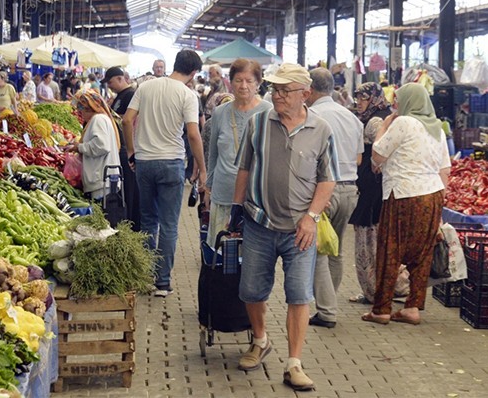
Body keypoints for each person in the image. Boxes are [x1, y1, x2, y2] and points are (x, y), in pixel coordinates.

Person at [230, 63, 338, 392]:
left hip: (299, 230)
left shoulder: (321, 129)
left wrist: (312, 216)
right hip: (259, 223)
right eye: (274, 89)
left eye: (283, 90)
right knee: (250, 290)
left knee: (299, 295)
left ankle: (294, 364)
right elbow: (245, 169)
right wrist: (235, 210)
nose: (276, 95)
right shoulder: (258, 123)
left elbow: (328, 179)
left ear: (304, 94)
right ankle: (260, 340)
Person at [362, 83, 450, 326]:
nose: (395, 106)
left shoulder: (403, 123)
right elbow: (445, 169)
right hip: (432, 195)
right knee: (422, 254)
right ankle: (412, 307)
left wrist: (385, 126)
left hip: (403, 194)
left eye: (398, 101)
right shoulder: (437, 129)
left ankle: (381, 309)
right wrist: (440, 204)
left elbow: (378, 155)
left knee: (391, 250)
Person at [122, 50, 207, 297]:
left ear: (173, 65)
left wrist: (131, 152)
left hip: (145, 163)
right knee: (169, 225)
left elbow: (127, 121)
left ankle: (146, 274)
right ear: (193, 73)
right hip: (171, 163)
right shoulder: (188, 94)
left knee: (149, 221)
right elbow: (193, 134)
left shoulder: (146, 87)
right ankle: (163, 282)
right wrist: (201, 168)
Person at [304, 67, 363, 329]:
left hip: (325, 192)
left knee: (317, 252)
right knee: (335, 249)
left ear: (311, 90)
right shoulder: (351, 117)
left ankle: (326, 311)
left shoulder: (312, 115)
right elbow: (360, 158)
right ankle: (330, 302)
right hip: (351, 189)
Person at [348, 83, 409, 304]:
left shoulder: (375, 122)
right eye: (357, 98)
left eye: (363, 98)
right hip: (378, 190)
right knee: (378, 243)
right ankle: (390, 289)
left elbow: (382, 152)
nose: (359, 102)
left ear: (374, 98)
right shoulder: (382, 117)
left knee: (367, 244)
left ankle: (374, 292)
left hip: (373, 192)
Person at [205, 59, 270, 247]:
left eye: (249, 81)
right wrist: (208, 188)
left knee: (253, 257)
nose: (243, 86)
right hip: (223, 193)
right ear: (230, 82)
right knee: (222, 254)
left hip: (256, 199)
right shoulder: (220, 113)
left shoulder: (269, 112)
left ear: (258, 83)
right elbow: (213, 154)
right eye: (238, 80)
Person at [66, 89, 122, 202]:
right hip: (104, 179)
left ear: (89, 109)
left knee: (103, 213)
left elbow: (102, 145)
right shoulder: (102, 118)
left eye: (81, 111)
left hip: (101, 181)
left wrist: (79, 147)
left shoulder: (98, 119)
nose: (80, 114)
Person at [104, 66, 140, 231]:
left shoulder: (130, 95)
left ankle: (132, 225)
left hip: (128, 148)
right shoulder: (120, 96)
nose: (109, 86)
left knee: (131, 190)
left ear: (120, 78)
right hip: (123, 147)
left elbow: (128, 122)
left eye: (111, 82)